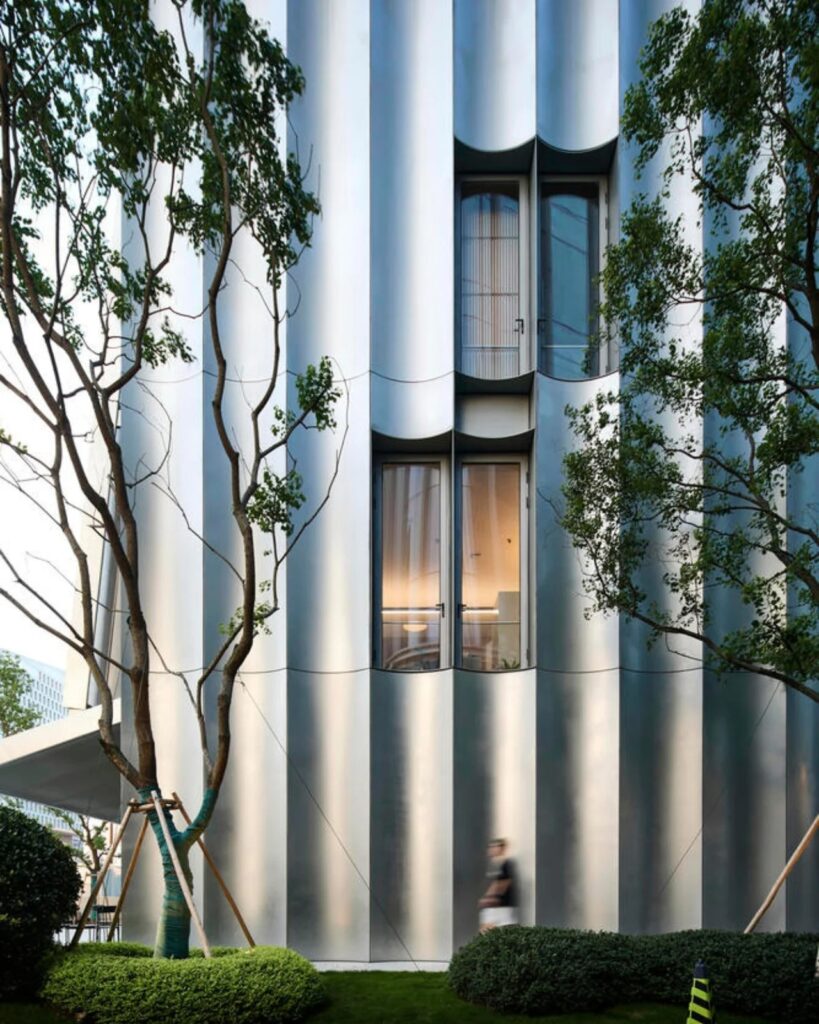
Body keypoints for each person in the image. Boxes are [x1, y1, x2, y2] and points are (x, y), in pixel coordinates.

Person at [478, 837, 518, 933]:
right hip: (493, 905)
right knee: (486, 929)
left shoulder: (506, 864)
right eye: (490, 847)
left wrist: (491, 898)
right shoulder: (493, 865)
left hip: (502, 904)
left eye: (495, 846)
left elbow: (504, 882)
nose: (492, 849)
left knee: (500, 929)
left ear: (502, 848)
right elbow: (493, 883)